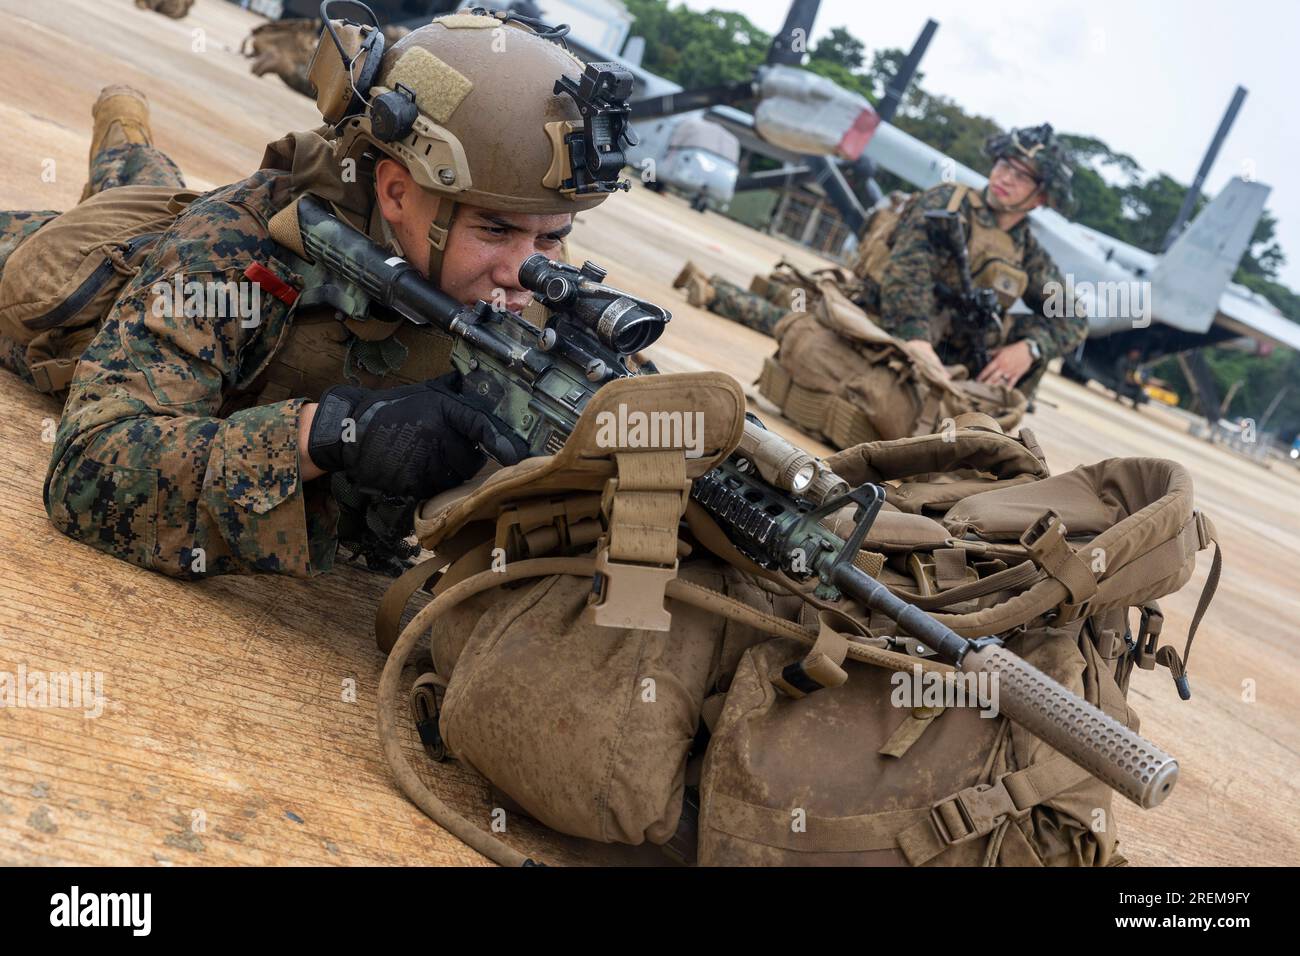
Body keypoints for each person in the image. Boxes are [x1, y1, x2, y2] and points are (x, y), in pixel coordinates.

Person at [0, 12, 612, 579]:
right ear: (397, 193)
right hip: (91, 273)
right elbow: (88, 469)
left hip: (176, 233)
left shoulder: (537, 297)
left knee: (155, 184)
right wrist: (335, 434)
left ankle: (128, 136)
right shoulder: (239, 243)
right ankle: (124, 131)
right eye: (495, 230)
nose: (523, 270)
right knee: (117, 204)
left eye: (553, 237)